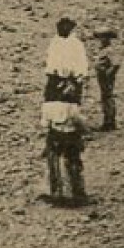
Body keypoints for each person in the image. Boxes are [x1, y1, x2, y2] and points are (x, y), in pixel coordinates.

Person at [41, 79, 89, 207]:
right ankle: (75, 192)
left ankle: (55, 192)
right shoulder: (73, 108)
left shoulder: (48, 106)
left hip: (55, 136)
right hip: (71, 137)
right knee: (73, 164)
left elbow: (44, 124)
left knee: (54, 164)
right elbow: (81, 123)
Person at [44, 17, 89, 101]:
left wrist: (78, 76)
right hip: (56, 79)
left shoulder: (76, 44)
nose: (64, 29)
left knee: (70, 103)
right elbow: (51, 61)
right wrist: (53, 73)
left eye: (67, 26)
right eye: (62, 26)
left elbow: (81, 62)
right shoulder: (54, 43)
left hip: (72, 79)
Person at [92, 27, 121, 132]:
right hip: (102, 77)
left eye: (104, 37)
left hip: (106, 77)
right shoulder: (103, 50)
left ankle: (109, 122)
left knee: (108, 97)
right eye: (100, 37)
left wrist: (109, 74)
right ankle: (107, 120)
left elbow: (116, 64)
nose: (101, 39)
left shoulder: (109, 50)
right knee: (104, 97)